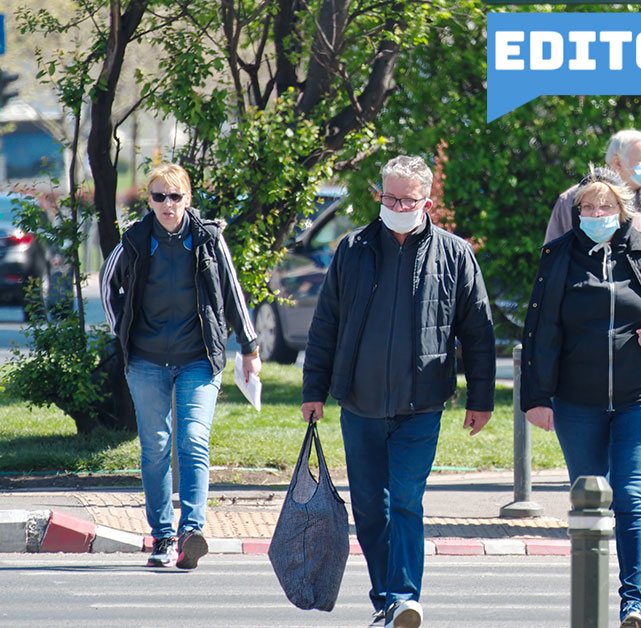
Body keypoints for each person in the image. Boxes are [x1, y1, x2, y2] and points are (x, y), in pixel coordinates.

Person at [300, 155, 495, 628]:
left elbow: (478, 332)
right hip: (360, 404)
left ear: (427, 201)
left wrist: (481, 398)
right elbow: (326, 324)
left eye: (406, 199)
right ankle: (386, 597)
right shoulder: (353, 248)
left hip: (421, 405)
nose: (396, 205)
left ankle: (405, 597)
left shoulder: (454, 253)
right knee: (369, 509)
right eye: (389, 196)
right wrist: (314, 389)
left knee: (406, 499)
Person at [523, 167, 641, 628]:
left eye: (605, 207)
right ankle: (590, 595)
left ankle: (632, 601)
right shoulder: (558, 256)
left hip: (639, 401)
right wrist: (535, 398)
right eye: (588, 208)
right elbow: (539, 330)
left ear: (623, 210)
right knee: (587, 498)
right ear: (576, 211)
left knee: (631, 500)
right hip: (576, 403)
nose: (596, 215)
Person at [101, 163, 261, 570]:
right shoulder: (135, 241)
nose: (167, 204)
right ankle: (162, 537)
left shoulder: (208, 238)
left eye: (175, 196)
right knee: (155, 447)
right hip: (146, 360)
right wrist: (126, 333)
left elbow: (232, 291)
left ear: (188, 199)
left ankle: (191, 532)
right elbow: (108, 289)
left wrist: (249, 345)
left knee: (193, 440)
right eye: (159, 196)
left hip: (197, 358)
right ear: (149, 201)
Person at [545, 128, 641, 534]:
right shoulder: (570, 203)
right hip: (582, 369)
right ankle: (598, 519)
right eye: (640, 159)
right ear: (615, 164)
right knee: (593, 477)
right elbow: (554, 264)